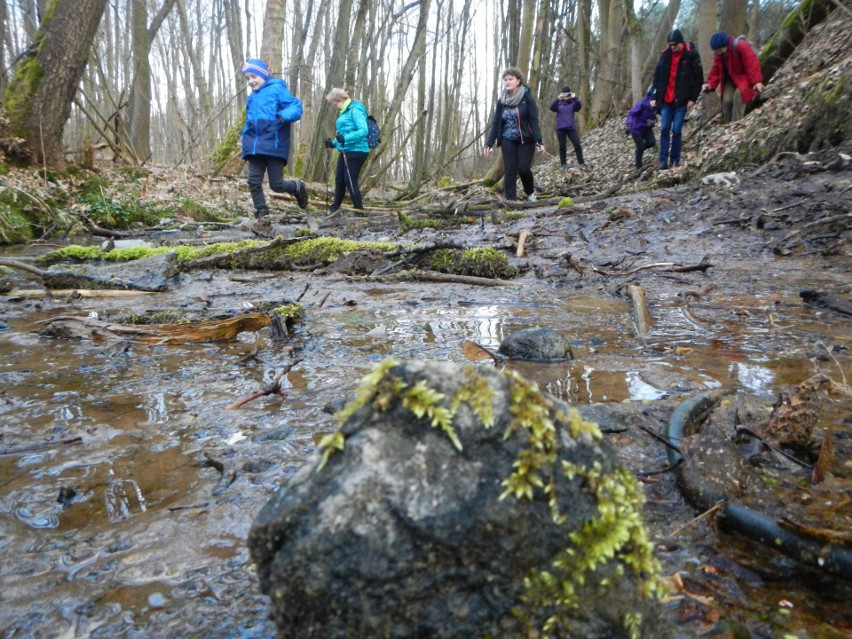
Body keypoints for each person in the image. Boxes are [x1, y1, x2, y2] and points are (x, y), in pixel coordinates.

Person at [241, 58, 308, 219]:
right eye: (247, 78)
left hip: (274, 144)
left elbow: (296, 107)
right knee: (253, 181)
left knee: (276, 185)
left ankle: (297, 187)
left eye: (253, 76)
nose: (251, 81)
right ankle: (261, 213)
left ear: (263, 74)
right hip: (254, 147)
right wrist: (243, 137)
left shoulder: (277, 89)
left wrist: (282, 116)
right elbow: (249, 121)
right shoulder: (251, 98)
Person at [483, 67, 545, 202]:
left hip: (525, 138)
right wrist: (489, 143)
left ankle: (530, 193)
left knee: (523, 169)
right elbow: (496, 123)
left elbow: (534, 120)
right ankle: (511, 200)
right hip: (507, 138)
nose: (507, 82)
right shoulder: (502, 101)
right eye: (505, 80)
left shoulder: (527, 98)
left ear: (518, 81)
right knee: (510, 169)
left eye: (510, 79)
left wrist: (539, 141)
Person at [650, 29, 703, 170]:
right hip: (666, 100)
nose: (672, 47)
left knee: (677, 130)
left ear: (681, 43)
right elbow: (656, 78)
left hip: (682, 100)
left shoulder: (691, 55)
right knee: (665, 129)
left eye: (675, 45)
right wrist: (654, 96)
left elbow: (699, 79)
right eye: (670, 45)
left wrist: (693, 98)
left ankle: (675, 159)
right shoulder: (665, 56)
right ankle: (662, 161)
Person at [702, 32, 765, 123]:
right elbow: (715, 70)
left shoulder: (740, 46)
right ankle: (728, 123)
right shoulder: (719, 54)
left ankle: (736, 123)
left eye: (720, 50)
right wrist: (710, 85)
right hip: (731, 79)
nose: (718, 53)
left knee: (739, 96)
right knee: (727, 100)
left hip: (745, 76)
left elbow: (752, 63)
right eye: (717, 51)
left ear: (726, 45)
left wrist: (757, 81)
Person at [324, 88, 370, 213]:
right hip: (345, 150)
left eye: (335, 103)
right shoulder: (343, 113)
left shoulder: (355, 110)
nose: (334, 106)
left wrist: (345, 138)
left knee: (350, 180)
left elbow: (363, 130)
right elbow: (342, 135)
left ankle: (359, 210)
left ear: (340, 100)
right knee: (339, 180)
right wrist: (332, 144)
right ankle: (334, 208)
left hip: (357, 150)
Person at [549, 86, 586, 171]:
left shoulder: (573, 103)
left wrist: (574, 97)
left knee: (577, 144)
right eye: (564, 94)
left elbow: (579, 107)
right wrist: (558, 98)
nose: (566, 96)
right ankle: (563, 164)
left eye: (567, 94)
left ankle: (581, 163)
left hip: (570, 128)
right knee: (562, 146)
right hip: (560, 128)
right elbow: (551, 107)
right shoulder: (558, 103)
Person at [626, 88, 658, 170]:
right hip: (636, 129)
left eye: (657, 101)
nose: (655, 103)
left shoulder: (656, 108)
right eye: (654, 101)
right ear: (650, 99)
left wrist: (652, 123)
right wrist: (629, 125)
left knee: (652, 142)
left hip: (646, 128)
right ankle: (639, 167)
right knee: (640, 147)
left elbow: (656, 117)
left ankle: (639, 151)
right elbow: (631, 114)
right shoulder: (642, 105)